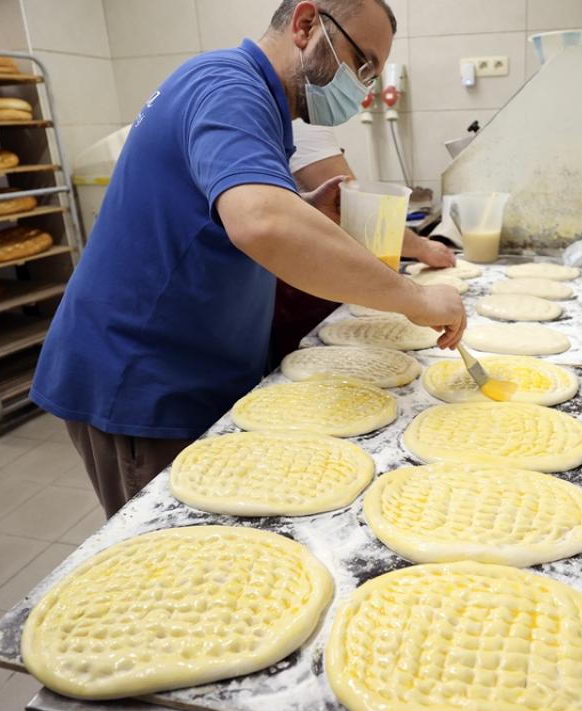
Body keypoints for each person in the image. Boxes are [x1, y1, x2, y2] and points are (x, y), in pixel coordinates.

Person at [31, 0, 466, 518]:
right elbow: (261, 223)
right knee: (183, 551)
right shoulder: (229, 86)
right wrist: (415, 299)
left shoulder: (252, 96)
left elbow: (221, 209)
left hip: (188, 370)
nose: (364, 89)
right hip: (141, 380)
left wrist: (303, 208)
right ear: (306, 25)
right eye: (362, 63)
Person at [269, 120, 456, 366]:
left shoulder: (284, 119)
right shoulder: (301, 124)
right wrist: (421, 268)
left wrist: (308, 205)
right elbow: (366, 213)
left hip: (285, 284)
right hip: (294, 290)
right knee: (305, 362)